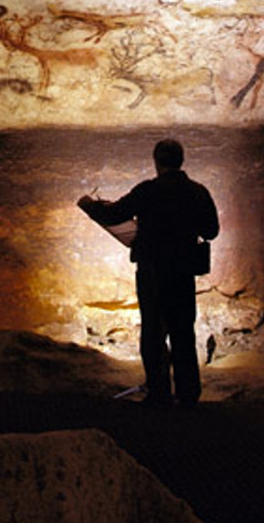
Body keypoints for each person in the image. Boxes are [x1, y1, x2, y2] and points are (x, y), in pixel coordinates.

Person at [78, 139, 220, 408]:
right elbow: (212, 231)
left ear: (157, 161)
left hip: (153, 270)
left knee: (154, 332)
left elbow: (115, 213)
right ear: (181, 160)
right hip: (183, 271)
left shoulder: (148, 191)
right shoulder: (198, 192)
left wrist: (91, 206)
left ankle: (159, 393)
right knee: (183, 332)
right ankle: (188, 394)